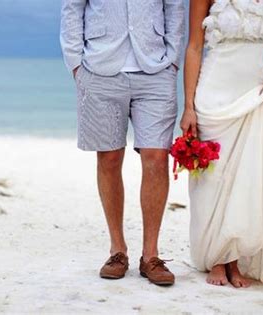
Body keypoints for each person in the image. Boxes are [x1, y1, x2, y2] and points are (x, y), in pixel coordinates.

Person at [60, 0, 185, 286]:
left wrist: (173, 59)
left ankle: (151, 256)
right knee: (109, 158)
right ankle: (117, 251)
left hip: (156, 69)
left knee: (156, 156)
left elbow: (175, 7)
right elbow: (72, 8)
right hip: (99, 67)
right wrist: (76, 65)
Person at [181, 0, 263, 288]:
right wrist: (188, 106)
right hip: (215, 96)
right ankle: (217, 259)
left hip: (253, 96)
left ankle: (233, 259)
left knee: (247, 178)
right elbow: (194, 46)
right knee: (214, 179)